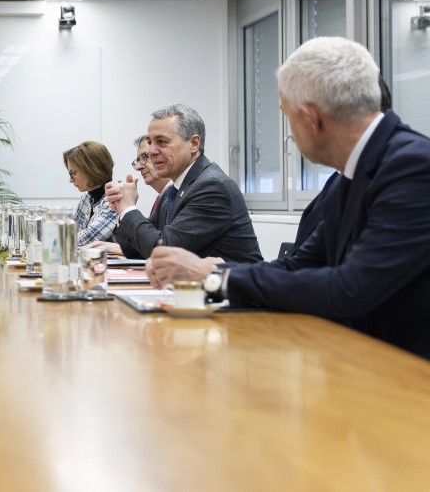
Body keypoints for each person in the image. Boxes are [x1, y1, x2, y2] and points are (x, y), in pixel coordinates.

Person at [148, 37, 430, 358]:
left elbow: (350, 289)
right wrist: (221, 270)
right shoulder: (349, 174)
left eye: (288, 117)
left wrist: (213, 277)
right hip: (363, 359)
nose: (290, 134)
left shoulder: (413, 167)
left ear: (311, 118)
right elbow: (297, 267)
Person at [105, 103, 261, 262]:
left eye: (162, 142)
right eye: (151, 142)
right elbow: (138, 249)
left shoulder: (212, 186)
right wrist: (121, 208)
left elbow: (164, 252)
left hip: (232, 284)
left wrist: (129, 209)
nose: (152, 151)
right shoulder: (173, 190)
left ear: (194, 143)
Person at [290, 75, 393, 252]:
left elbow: (360, 274)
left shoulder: (400, 174)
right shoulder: (341, 178)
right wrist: (227, 272)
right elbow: (303, 261)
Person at [89, 135, 172, 256]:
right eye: (137, 160)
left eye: (145, 157)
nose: (138, 167)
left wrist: (127, 208)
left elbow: (164, 249)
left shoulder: (179, 194)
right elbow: (151, 240)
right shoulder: (163, 196)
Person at [63, 141, 117, 247]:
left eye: (73, 173)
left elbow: (88, 238)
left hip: (111, 263)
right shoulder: (86, 198)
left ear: (91, 169)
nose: (70, 180)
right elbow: (72, 232)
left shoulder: (115, 198)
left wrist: (54, 239)